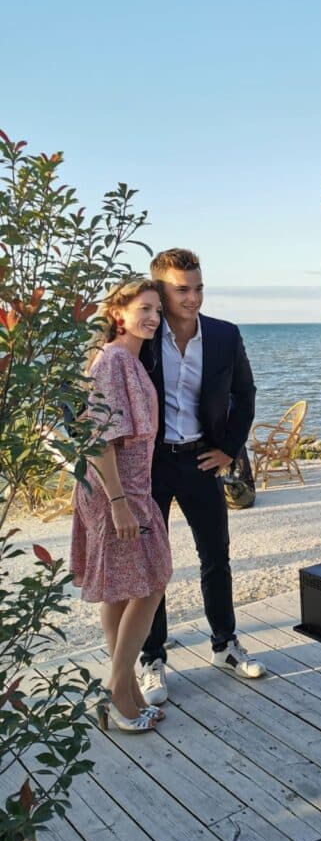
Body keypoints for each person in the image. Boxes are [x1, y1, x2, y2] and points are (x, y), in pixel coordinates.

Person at [138, 248, 263, 707]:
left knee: (217, 556)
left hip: (201, 460)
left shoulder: (225, 335)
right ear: (159, 291)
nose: (194, 298)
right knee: (153, 565)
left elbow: (245, 394)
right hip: (151, 466)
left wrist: (228, 449)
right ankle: (152, 657)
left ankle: (224, 644)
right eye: (182, 289)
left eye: (199, 287)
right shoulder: (142, 335)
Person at [70, 279, 173, 733]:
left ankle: (125, 690)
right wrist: (118, 504)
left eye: (156, 310)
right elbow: (99, 439)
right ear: (118, 313)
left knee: (120, 589)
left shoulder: (128, 360)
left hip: (128, 490)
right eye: (144, 308)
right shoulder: (112, 361)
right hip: (118, 492)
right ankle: (117, 691)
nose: (152, 316)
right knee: (152, 583)